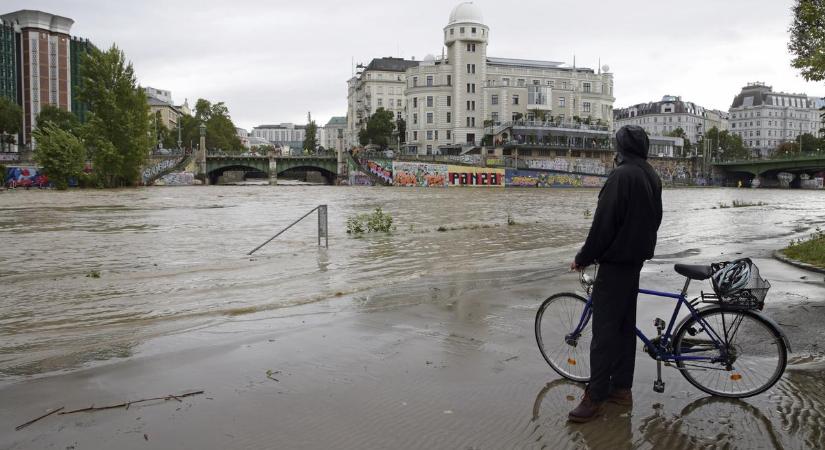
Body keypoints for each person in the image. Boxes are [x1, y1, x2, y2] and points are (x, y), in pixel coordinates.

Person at [568, 125, 663, 423]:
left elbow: (603, 225)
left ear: (620, 148)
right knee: (624, 329)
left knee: (605, 334)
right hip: (634, 261)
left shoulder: (621, 176)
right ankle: (621, 389)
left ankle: (594, 397)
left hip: (615, 264)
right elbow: (656, 219)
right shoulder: (651, 174)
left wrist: (584, 257)